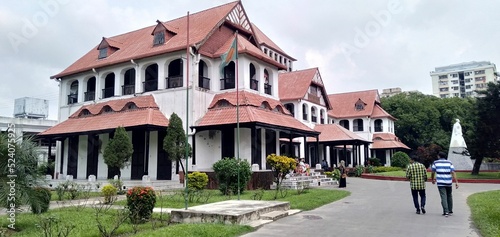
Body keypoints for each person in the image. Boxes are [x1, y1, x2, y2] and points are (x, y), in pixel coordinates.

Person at [431, 151, 459, 217]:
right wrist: (456, 182)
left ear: (439, 156)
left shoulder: (435, 162)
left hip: (440, 182)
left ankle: (446, 211)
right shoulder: (449, 162)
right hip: (449, 181)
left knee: (443, 196)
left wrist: (432, 179)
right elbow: (453, 172)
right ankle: (450, 210)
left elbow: (433, 172)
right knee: (449, 195)